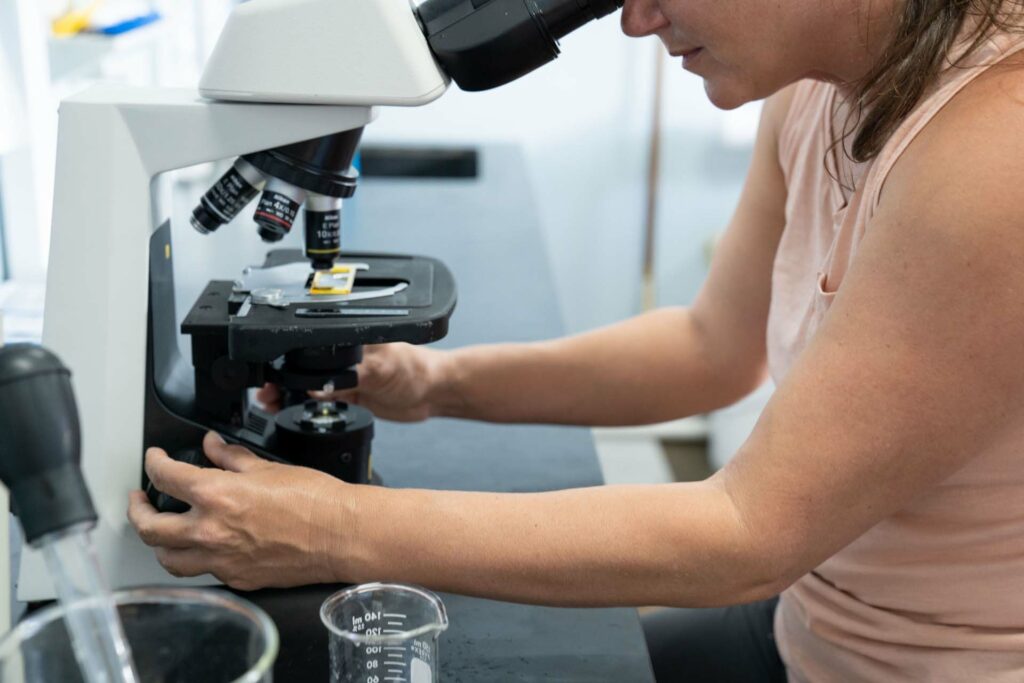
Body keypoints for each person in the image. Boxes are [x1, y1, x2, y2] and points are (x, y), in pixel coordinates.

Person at [128, 0, 1024, 679]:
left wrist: (332, 528)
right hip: (813, 623)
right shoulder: (819, 91)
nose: (635, 20)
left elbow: (748, 532)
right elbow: (710, 348)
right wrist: (434, 383)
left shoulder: (993, 153)